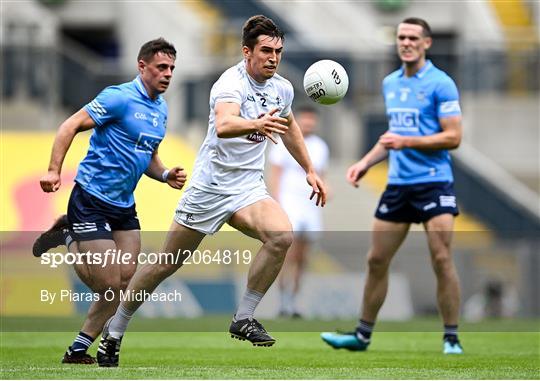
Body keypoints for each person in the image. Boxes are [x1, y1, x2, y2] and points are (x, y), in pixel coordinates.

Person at [96, 14, 327, 367]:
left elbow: (290, 125)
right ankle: (115, 329)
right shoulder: (228, 84)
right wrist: (256, 123)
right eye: (266, 50)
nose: (273, 58)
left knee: (282, 236)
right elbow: (224, 124)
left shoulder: (282, 87)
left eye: (278, 51)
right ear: (246, 52)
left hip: (247, 186)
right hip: (210, 188)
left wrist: (308, 169)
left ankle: (243, 318)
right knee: (163, 266)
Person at [33, 38, 187, 364]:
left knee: (123, 281)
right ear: (142, 66)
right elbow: (70, 125)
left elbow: (148, 155)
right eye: (161, 67)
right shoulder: (118, 97)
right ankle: (69, 234)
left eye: (172, 68)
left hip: (123, 206)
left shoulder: (161, 109)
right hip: (90, 198)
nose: (168, 74)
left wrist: (164, 175)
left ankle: (77, 349)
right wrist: (52, 170)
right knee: (108, 282)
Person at [321, 17, 464, 355]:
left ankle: (451, 338)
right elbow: (391, 139)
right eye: (401, 37)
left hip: (433, 183)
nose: (406, 42)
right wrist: (363, 163)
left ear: (427, 43)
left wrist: (408, 141)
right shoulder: (390, 84)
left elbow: (453, 137)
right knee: (376, 260)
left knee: (441, 258)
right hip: (398, 184)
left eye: (413, 37)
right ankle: (362, 335)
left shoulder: (441, 83)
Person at [268, 105, 329, 318]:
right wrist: (277, 203)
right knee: (289, 254)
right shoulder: (285, 142)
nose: (309, 123)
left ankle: (294, 301)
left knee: (303, 258)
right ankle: (283, 301)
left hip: (310, 206)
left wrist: (326, 190)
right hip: (290, 203)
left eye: (312, 120)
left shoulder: (321, 147)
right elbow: (276, 175)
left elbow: (321, 174)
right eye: (305, 119)